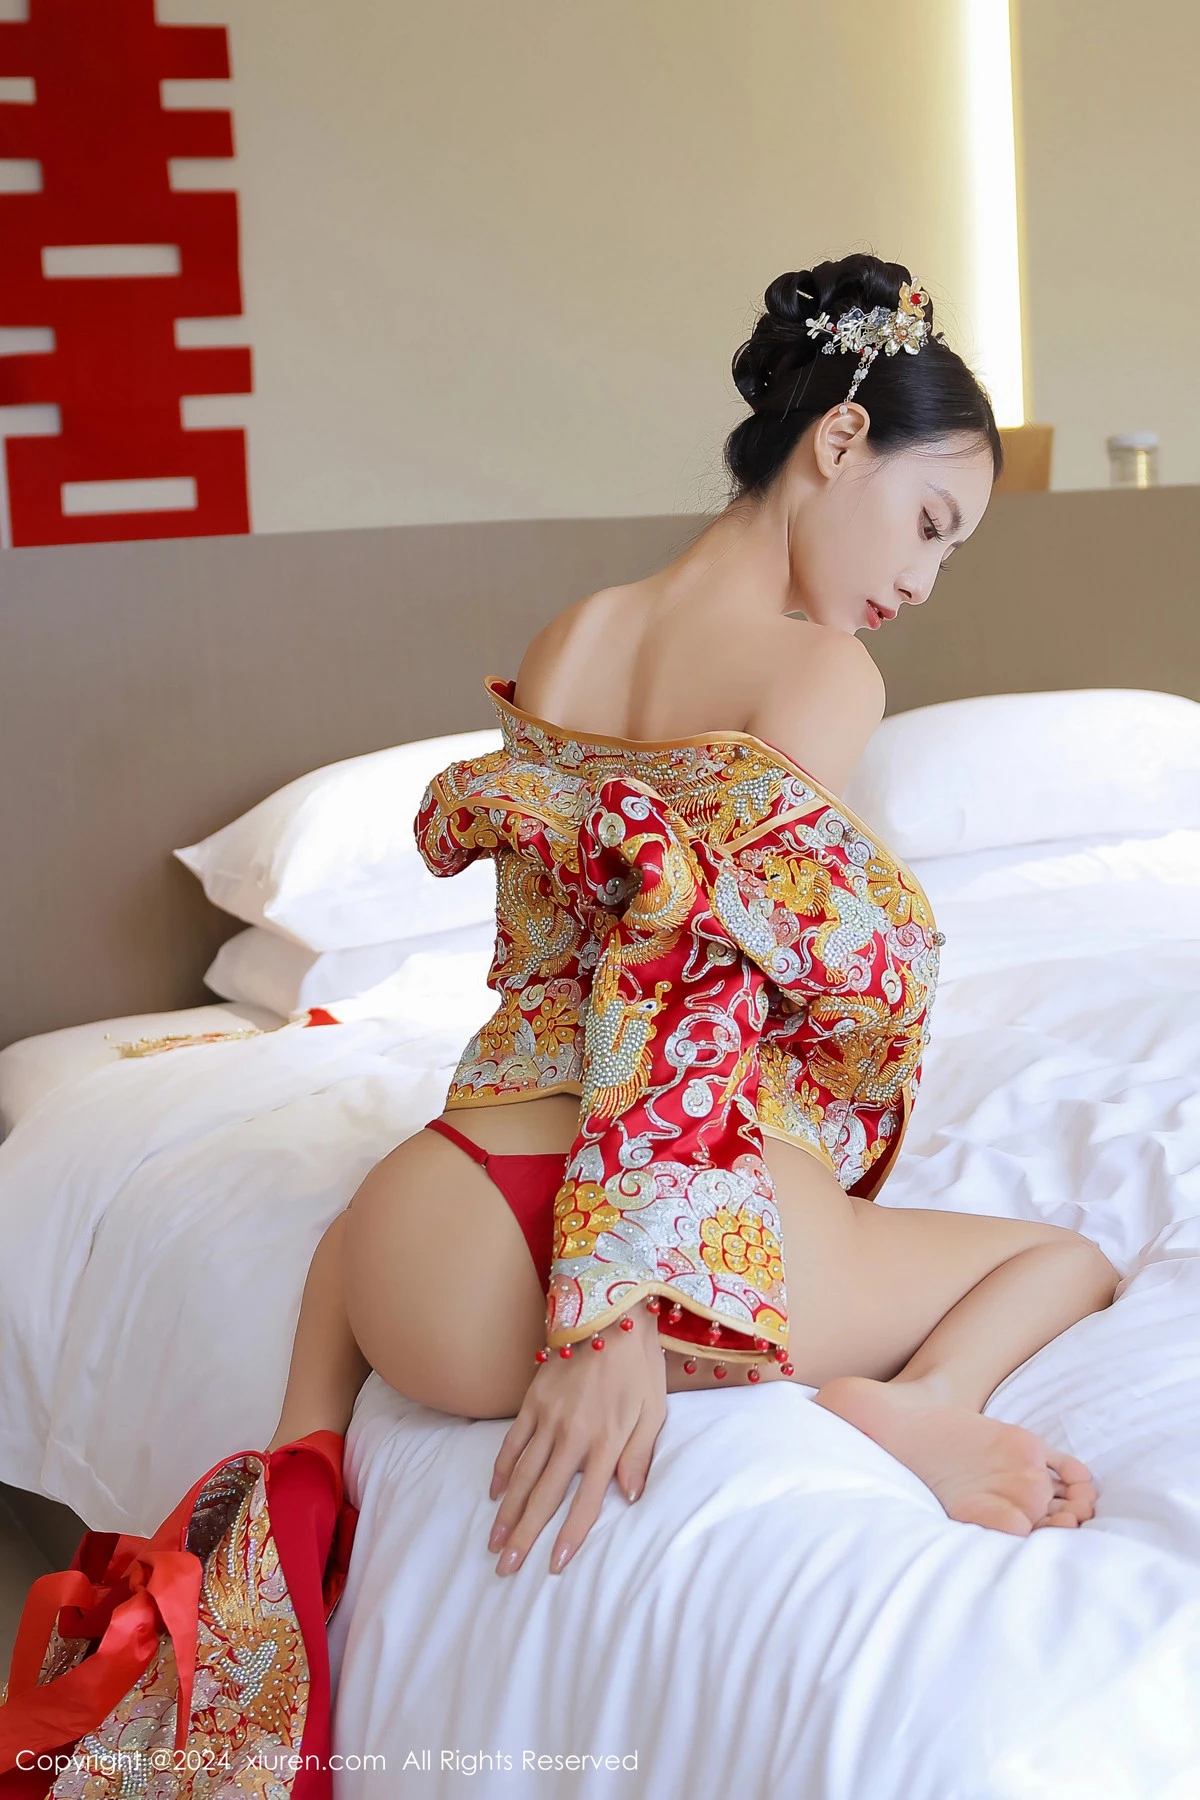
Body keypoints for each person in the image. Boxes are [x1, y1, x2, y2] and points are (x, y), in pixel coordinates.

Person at [267, 253, 1119, 1587]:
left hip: (422, 1226)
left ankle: (290, 1465)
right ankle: (924, 1401)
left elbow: (550, 970)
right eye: (930, 522)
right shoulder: (822, 669)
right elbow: (695, 977)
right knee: (1064, 1258)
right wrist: (611, 1301)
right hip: (622, 1222)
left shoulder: (574, 635)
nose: (925, 580)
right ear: (841, 439)